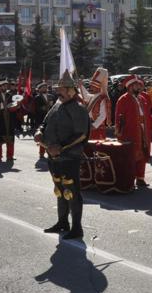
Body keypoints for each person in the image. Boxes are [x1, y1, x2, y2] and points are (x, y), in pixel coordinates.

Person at [35, 70, 91, 240]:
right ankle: (62, 222)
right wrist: (39, 132)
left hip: (69, 157)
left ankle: (76, 228)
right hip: (54, 158)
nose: (59, 92)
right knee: (59, 191)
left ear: (72, 91)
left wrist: (61, 148)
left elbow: (81, 134)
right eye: (59, 89)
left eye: (63, 89)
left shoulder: (79, 109)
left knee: (72, 192)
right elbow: (44, 123)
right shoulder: (57, 105)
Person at [115, 75, 152, 189]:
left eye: (140, 85)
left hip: (144, 131)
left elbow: (148, 114)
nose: (139, 87)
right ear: (130, 87)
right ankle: (130, 179)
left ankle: (140, 178)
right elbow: (118, 116)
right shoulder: (123, 99)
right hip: (130, 131)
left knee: (142, 153)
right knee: (132, 156)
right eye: (137, 85)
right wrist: (119, 130)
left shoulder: (143, 98)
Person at [0, 80, 18, 163]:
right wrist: (1, 106)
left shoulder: (10, 95)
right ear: (0, 87)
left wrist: (16, 106)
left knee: (11, 138)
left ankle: (10, 156)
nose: (5, 87)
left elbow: (13, 106)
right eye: (3, 86)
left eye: (6, 86)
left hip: (9, 120)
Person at [81, 68, 111, 141]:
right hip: (90, 126)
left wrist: (94, 126)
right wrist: (81, 86)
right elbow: (86, 95)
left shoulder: (102, 98)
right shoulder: (93, 96)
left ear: (98, 87)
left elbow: (103, 115)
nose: (91, 88)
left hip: (97, 128)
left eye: (93, 86)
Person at [34, 83, 53, 159]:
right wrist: (46, 107)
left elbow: (53, 105)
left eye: (46, 87)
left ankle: (50, 152)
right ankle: (41, 153)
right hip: (41, 118)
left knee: (50, 136)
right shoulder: (37, 98)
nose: (45, 89)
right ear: (40, 89)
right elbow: (38, 108)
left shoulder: (51, 96)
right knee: (42, 136)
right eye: (43, 87)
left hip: (50, 118)